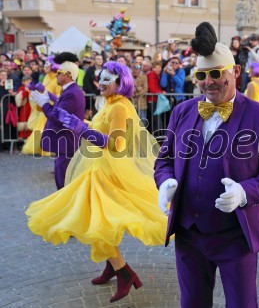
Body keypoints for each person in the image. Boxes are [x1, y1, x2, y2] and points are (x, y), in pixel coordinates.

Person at [154, 22, 259, 308]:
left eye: (216, 73)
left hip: (235, 237)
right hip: (189, 234)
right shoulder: (182, 111)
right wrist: (165, 182)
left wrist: (243, 192)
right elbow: (164, 159)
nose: (208, 81)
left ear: (235, 72)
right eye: (201, 75)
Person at [26, 61, 167, 303]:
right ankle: (112, 267)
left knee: (97, 222)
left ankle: (125, 272)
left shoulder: (120, 107)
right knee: (95, 220)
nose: (100, 83)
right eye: (99, 78)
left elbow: (117, 145)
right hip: (98, 169)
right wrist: (76, 122)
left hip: (107, 173)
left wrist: (82, 128)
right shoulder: (110, 103)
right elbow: (100, 129)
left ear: (120, 83)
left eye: (106, 79)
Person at [29, 52, 85, 190]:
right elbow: (59, 107)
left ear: (68, 75)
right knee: (63, 182)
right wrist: (47, 97)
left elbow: (57, 117)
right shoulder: (69, 90)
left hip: (66, 143)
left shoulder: (71, 92)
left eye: (59, 72)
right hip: (64, 143)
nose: (56, 74)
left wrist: (45, 104)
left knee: (63, 185)